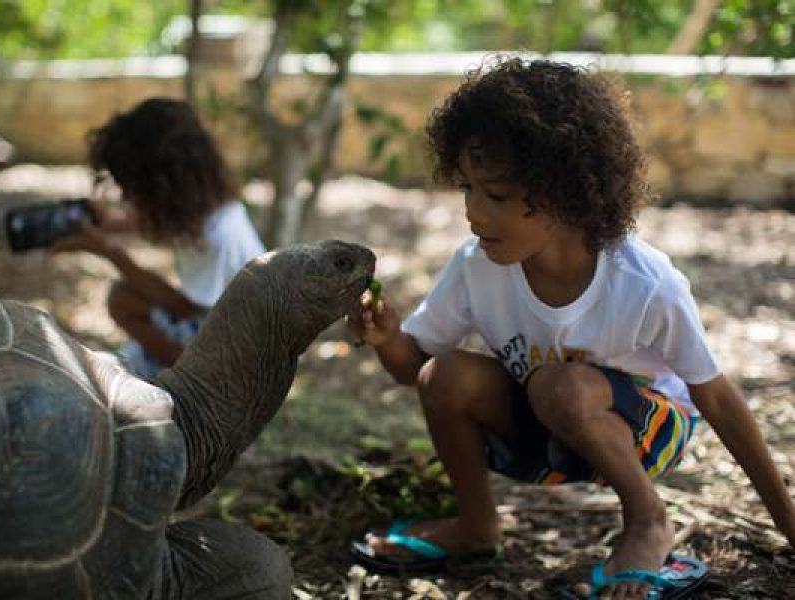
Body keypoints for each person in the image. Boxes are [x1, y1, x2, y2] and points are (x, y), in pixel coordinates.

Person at [348, 58, 795, 598]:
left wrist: (787, 523)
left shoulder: (644, 283)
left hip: (648, 434)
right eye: (466, 188)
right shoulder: (478, 265)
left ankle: (648, 520)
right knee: (447, 375)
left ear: (564, 191)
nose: (473, 212)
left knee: (561, 384)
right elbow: (415, 371)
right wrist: (387, 338)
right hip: (546, 436)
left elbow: (718, 399)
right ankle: (476, 526)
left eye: (494, 195)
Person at [51, 97, 265, 379]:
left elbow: (181, 307)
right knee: (128, 297)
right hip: (209, 321)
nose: (128, 197)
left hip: (232, 358)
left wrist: (109, 251)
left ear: (163, 186)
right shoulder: (208, 207)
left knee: (123, 299)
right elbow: (167, 222)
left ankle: (182, 380)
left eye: (134, 188)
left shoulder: (220, 238)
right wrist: (113, 224)